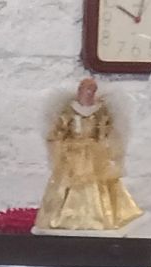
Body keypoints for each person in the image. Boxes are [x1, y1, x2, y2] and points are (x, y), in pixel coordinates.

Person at [35, 77, 143, 231]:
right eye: (86, 90)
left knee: (96, 185)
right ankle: (67, 217)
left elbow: (106, 132)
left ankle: (97, 217)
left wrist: (106, 150)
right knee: (67, 184)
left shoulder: (101, 111)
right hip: (73, 154)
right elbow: (58, 132)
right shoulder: (68, 110)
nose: (88, 94)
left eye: (92, 91)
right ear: (79, 91)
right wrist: (61, 146)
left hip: (94, 155)